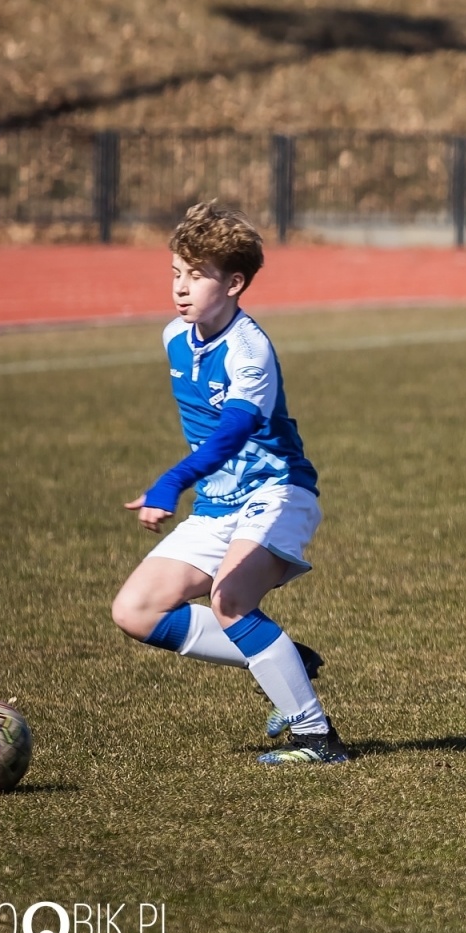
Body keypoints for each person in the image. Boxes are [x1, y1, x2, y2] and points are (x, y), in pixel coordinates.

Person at [110, 201, 348, 764]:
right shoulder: (175, 336)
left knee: (231, 600)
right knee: (136, 610)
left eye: (197, 276)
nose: (181, 288)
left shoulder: (250, 351)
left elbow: (232, 436)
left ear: (235, 282)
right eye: (176, 273)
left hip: (277, 491)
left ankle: (317, 738)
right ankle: (285, 656)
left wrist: (170, 483)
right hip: (220, 504)